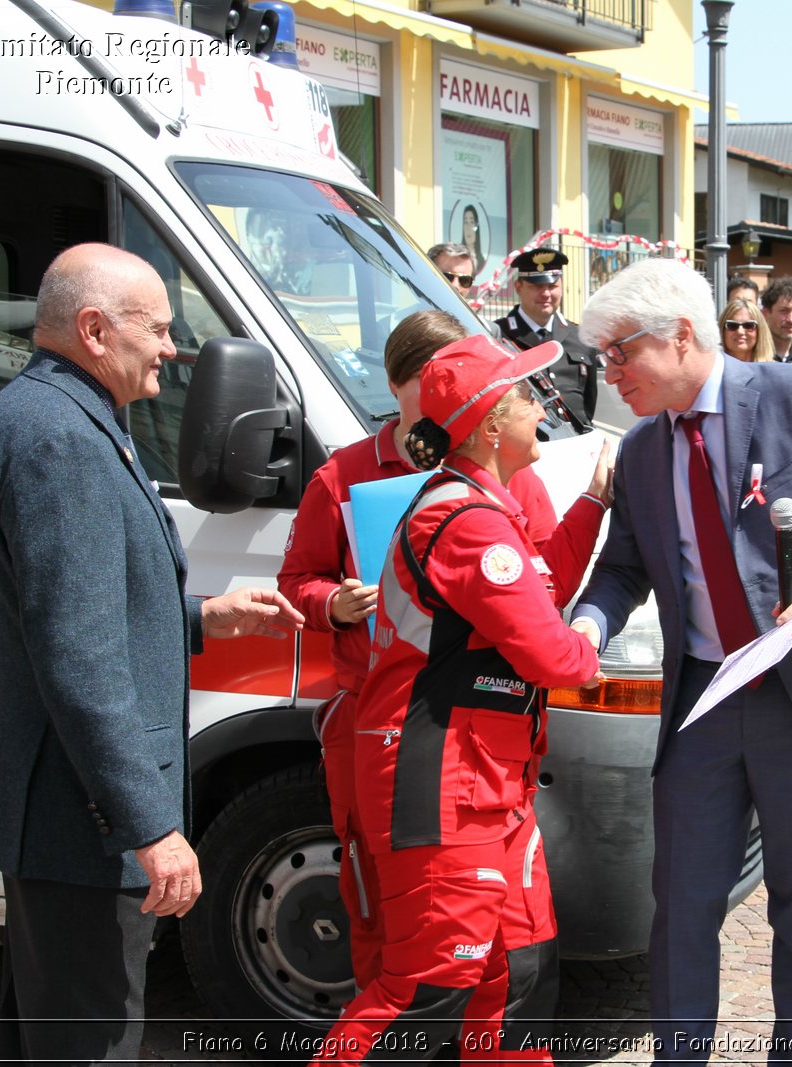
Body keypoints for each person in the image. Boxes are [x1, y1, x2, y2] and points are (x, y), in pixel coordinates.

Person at [0, 244, 305, 1063]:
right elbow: (77, 657)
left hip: (69, 817)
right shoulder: (60, 440)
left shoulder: (61, 415)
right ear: (92, 328)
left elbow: (87, 610)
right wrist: (150, 826)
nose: (170, 346)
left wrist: (203, 617)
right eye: (155, 327)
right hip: (84, 825)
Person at [568, 258, 792, 1065]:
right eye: (604, 358)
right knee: (681, 904)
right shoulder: (644, 447)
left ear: (683, 335)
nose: (610, 372)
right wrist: (585, 625)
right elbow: (623, 568)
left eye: (621, 352)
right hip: (703, 704)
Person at [319, 334, 611, 1063]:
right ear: (488, 425)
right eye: (524, 394)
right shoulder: (466, 520)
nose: (542, 405)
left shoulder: (484, 506)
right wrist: (586, 639)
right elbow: (552, 653)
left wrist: (598, 501)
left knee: (518, 974)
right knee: (426, 990)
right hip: (441, 785)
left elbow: (538, 585)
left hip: (487, 786)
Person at [278, 310, 575, 993]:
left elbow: (546, 572)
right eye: (431, 375)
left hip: (481, 728)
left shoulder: (508, 469)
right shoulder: (345, 473)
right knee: (378, 904)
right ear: (398, 384)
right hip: (377, 721)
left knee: (500, 928)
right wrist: (334, 602)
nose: (451, 383)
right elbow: (297, 580)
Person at [497, 246, 598, 425]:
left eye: (552, 286)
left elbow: (588, 402)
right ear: (518, 287)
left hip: (574, 440)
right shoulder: (498, 336)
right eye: (536, 286)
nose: (545, 294)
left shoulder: (581, 336)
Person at [718, 294, 775, 362]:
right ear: (722, 330)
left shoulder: (773, 371)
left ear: (760, 330)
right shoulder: (712, 371)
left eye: (748, 325)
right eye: (732, 325)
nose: (740, 331)